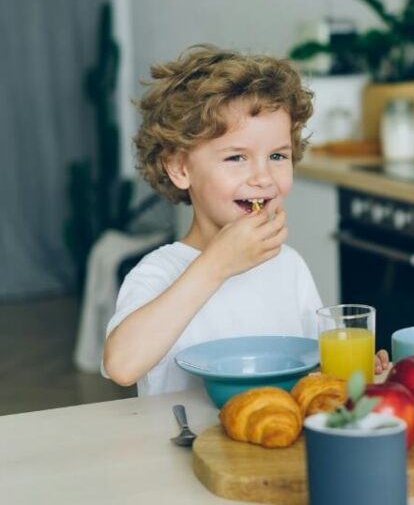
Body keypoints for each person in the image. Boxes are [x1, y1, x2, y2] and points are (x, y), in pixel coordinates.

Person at [103, 45, 388, 395]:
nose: (263, 177)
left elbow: (318, 370)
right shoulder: (159, 272)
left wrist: (356, 371)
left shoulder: (289, 266)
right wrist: (215, 265)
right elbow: (122, 365)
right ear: (179, 167)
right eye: (237, 157)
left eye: (278, 155)